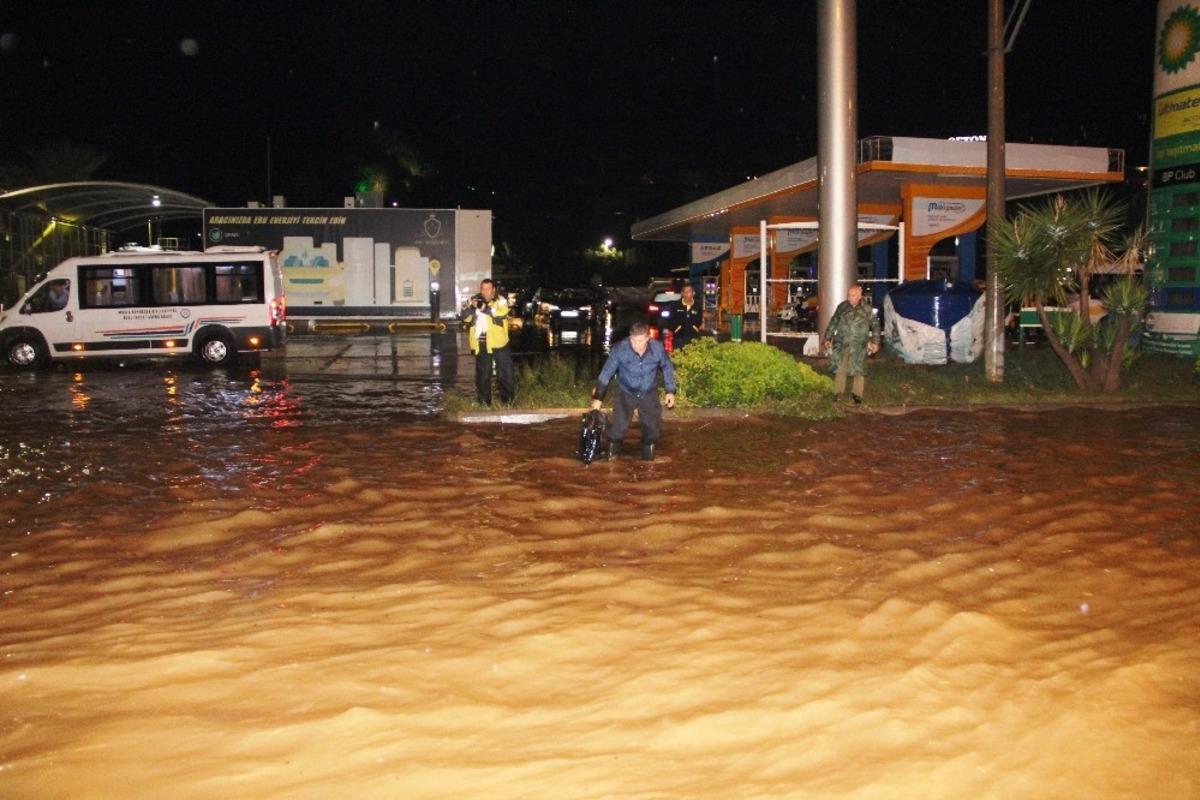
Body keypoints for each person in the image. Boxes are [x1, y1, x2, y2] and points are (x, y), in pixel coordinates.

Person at [591, 321, 677, 461]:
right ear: (630, 337)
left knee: (652, 430)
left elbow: (667, 367)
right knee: (618, 428)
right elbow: (606, 373)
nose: (636, 344)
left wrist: (670, 391)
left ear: (648, 338)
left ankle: (648, 462)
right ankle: (611, 459)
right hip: (626, 391)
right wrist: (598, 398)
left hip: (648, 392)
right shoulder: (620, 349)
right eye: (633, 340)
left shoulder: (657, 348)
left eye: (640, 341)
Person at [823, 283, 880, 404]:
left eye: (853, 295)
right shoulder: (842, 307)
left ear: (859, 296)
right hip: (842, 343)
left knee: (859, 370)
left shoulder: (867, 309)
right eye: (849, 295)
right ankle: (838, 393)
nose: (850, 298)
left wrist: (875, 342)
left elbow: (875, 325)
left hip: (859, 344)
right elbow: (833, 322)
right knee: (840, 368)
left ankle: (857, 395)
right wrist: (828, 338)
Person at [461, 278, 514, 405]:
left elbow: (500, 314)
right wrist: (471, 307)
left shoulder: (500, 300)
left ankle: (508, 403)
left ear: (493, 290)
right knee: (483, 376)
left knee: (505, 374)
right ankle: (484, 404)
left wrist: (482, 307)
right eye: (483, 289)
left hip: (499, 343)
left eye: (488, 289)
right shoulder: (473, 300)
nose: (485, 291)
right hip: (481, 344)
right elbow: (464, 318)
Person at [669, 283, 704, 348]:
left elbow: (699, 319)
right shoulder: (675, 305)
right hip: (679, 336)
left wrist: (695, 328)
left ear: (693, 293)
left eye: (689, 291)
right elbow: (671, 320)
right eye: (685, 292)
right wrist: (677, 328)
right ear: (682, 293)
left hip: (693, 336)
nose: (687, 294)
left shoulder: (697, 305)